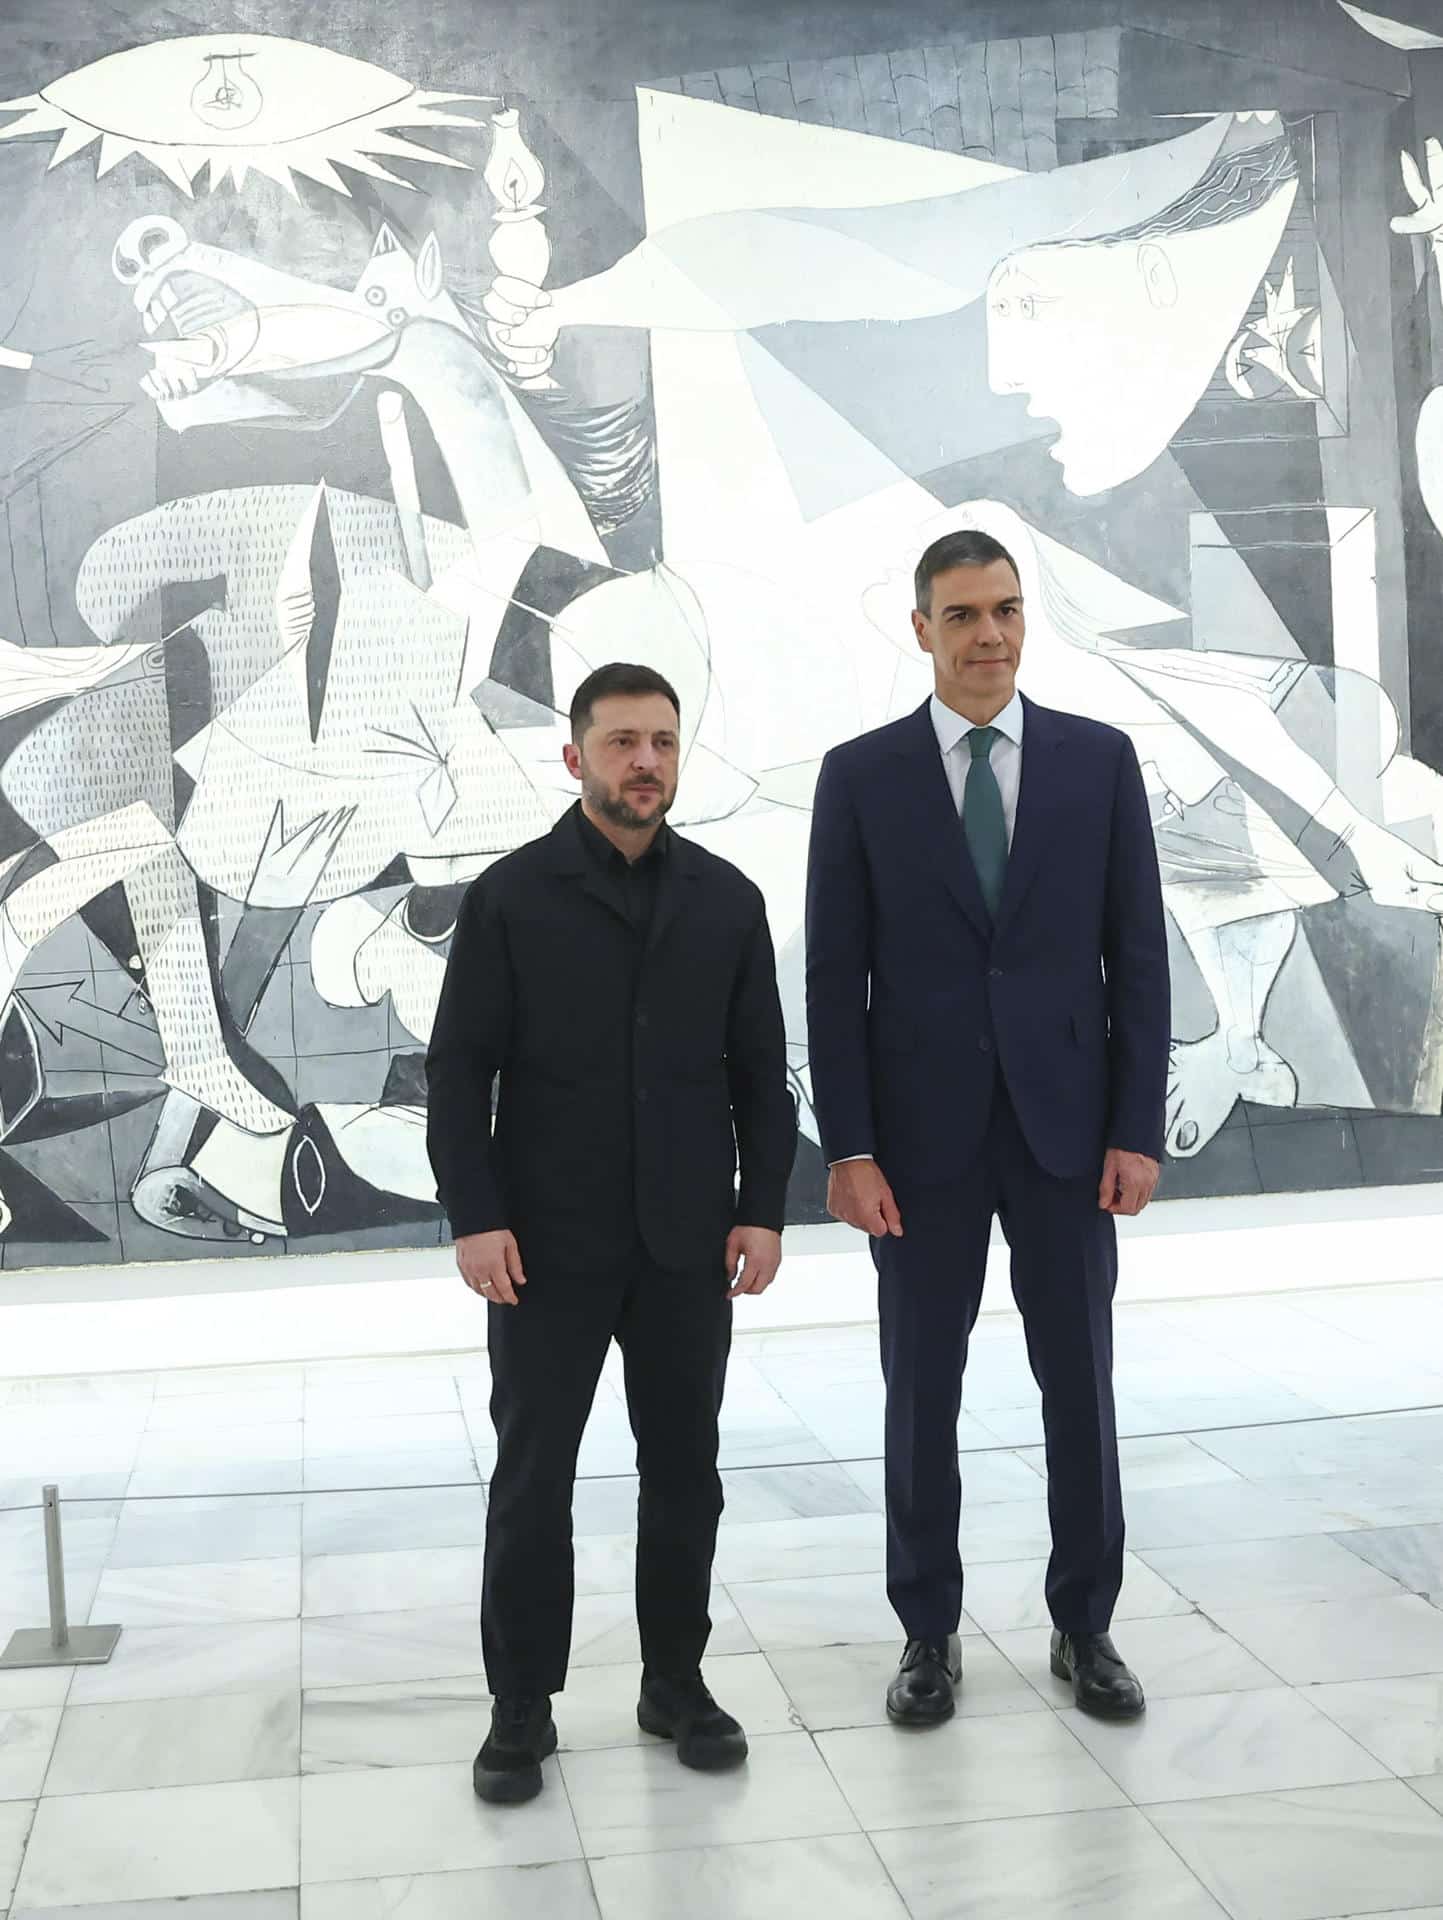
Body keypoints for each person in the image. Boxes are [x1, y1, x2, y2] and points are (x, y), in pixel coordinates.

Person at [804, 530, 1169, 1726]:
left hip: (1069, 1135)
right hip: (919, 1146)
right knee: (922, 1390)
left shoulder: (1098, 762)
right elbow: (835, 980)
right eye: (961, 614)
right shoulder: (860, 777)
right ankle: (927, 1632)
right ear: (921, 629)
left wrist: (1136, 1127)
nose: (988, 634)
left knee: (1082, 1386)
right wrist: (849, 1147)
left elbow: (1138, 956)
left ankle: (1086, 1624)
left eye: (1005, 609)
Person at [425, 661, 797, 1805]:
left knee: (685, 1473)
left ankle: (674, 1684)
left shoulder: (728, 899)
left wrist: (762, 1206)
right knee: (534, 1480)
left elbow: (761, 1075)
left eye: (663, 743)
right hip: (545, 1247)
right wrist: (476, 1217)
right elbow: (458, 1073)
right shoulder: (510, 897)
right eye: (623, 741)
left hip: (687, 1242)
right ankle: (520, 1705)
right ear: (575, 756)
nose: (646, 762)